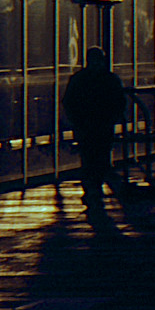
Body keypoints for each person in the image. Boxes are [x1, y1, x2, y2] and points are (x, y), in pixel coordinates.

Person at [60, 47, 127, 207]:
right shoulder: (110, 79)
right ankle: (98, 186)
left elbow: (69, 101)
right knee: (101, 155)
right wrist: (112, 117)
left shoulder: (79, 79)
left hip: (85, 125)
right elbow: (120, 101)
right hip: (103, 124)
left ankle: (92, 189)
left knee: (88, 157)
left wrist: (76, 120)